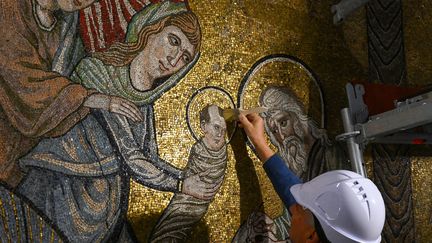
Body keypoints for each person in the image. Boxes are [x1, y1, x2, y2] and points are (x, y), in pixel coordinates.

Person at [14, 1, 216, 242]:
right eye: (173, 41)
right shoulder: (97, 72)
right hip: (58, 191)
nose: (173, 60)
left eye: (184, 57)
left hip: (103, 211)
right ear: (150, 29)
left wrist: (187, 175)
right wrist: (181, 183)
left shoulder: (144, 103)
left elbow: (149, 158)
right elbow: (131, 157)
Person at [0, 0, 142, 187]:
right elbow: (24, 79)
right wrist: (93, 99)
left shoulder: (70, 28)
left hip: (17, 154)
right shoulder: (10, 7)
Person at [238, 113, 386, 243]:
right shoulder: (325, 230)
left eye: (301, 207)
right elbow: (290, 190)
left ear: (310, 237)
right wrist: (259, 142)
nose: (294, 206)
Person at [150, 105, 228, 242]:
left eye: (224, 130)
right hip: (181, 206)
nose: (220, 134)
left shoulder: (222, 154)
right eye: (216, 127)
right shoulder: (197, 151)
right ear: (203, 127)